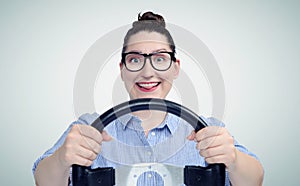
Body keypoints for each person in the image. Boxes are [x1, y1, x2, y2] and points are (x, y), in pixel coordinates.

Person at [33, 11, 264, 185]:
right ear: (122, 69)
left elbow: (255, 179)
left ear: (175, 68)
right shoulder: (87, 129)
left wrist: (232, 159)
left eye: (160, 59)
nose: (147, 72)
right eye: (135, 60)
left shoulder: (210, 131)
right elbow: (43, 179)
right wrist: (63, 158)